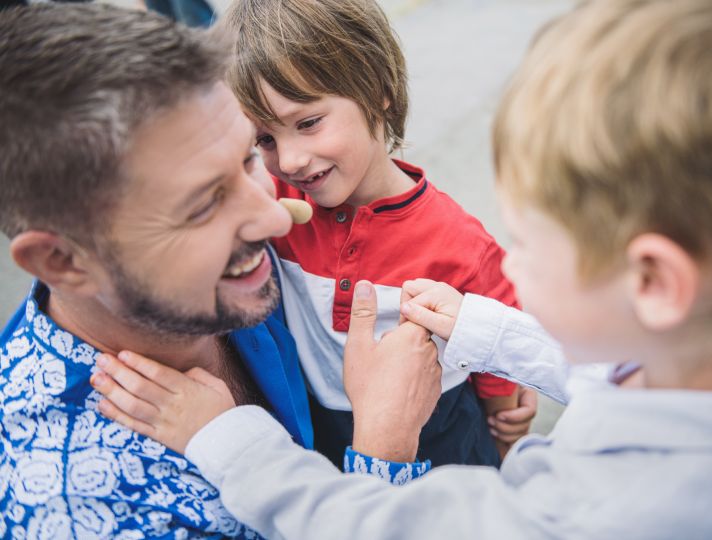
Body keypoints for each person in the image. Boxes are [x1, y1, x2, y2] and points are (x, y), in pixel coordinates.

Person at [92, 0, 712, 537]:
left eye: (528, 240)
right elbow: (615, 370)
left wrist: (228, 439)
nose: (508, 258)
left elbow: (372, 525)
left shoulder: (582, 515)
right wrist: (493, 332)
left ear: (654, 282)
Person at [0, 4, 437, 536]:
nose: (275, 216)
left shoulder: (211, 273)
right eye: (203, 206)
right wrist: (382, 452)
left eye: (249, 156)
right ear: (62, 261)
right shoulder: (80, 510)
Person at [222, 0, 535, 467]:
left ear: (378, 90)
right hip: (323, 435)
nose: (288, 161)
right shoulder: (274, 203)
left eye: (308, 123)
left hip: (443, 442)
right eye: (264, 140)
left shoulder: (460, 244)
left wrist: (506, 421)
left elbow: (498, 359)